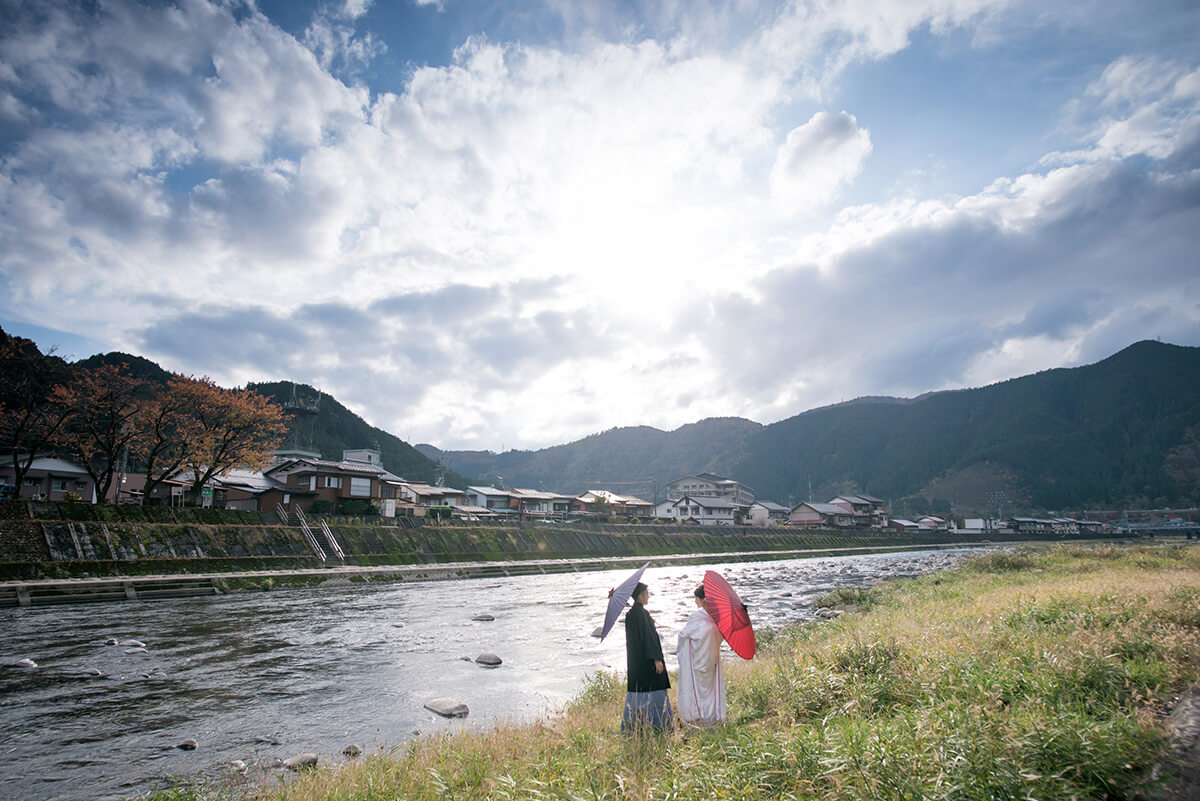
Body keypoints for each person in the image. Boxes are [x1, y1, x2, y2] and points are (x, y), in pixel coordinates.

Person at [622, 582, 673, 731]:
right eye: (646, 593)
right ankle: (659, 725)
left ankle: (635, 725)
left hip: (636, 662)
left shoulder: (631, 614)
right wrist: (656, 659)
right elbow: (648, 638)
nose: (648, 596)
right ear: (640, 596)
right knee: (654, 690)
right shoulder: (642, 614)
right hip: (648, 661)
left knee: (638, 692)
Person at [676, 584, 727, 726]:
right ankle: (711, 715)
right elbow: (721, 636)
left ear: (703, 600)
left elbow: (683, 635)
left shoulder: (697, 617)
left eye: (696, 599)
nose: (695, 602)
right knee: (710, 688)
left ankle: (700, 714)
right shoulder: (718, 617)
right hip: (711, 656)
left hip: (698, 657)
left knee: (698, 688)